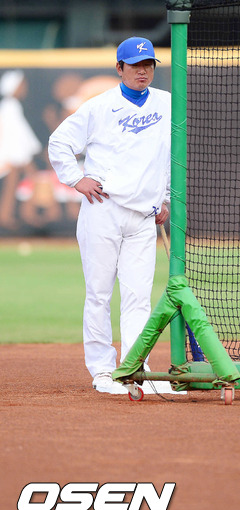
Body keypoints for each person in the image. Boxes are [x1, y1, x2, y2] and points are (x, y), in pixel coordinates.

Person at [48, 37, 173, 395]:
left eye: (147, 64)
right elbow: (59, 142)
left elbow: (169, 154)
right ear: (119, 68)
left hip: (144, 217)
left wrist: (165, 196)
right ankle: (103, 370)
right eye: (135, 65)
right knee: (99, 294)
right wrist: (75, 178)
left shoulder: (167, 103)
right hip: (103, 209)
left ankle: (135, 368)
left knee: (138, 297)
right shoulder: (99, 106)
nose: (142, 71)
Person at [0, 70, 42, 229]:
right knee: (32, 179)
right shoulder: (10, 106)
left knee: (14, 184)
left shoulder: (11, 105)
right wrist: (28, 153)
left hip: (15, 155)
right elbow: (16, 133)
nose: (24, 88)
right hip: (13, 155)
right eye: (21, 85)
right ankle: (26, 214)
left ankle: (9, 215)